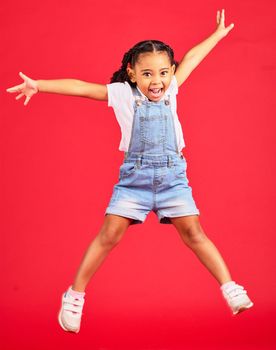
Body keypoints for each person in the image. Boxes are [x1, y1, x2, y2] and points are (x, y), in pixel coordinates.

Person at [6, 9, 253, 334]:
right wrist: (38, 85)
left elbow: (192, 57)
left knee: (194, 233)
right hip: (134, 180)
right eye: (148, 73)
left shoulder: (173, 89)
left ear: (171, 72)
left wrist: (217, 36)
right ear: (132, 73)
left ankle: (229, 286)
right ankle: (74, 294)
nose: (157, 81)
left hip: (172, 177)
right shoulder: (123, 93)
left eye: (164, 72)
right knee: (109, 235)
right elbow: (81, 87)